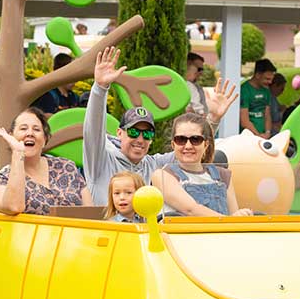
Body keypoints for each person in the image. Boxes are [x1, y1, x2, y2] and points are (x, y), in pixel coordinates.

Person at [83, 46, 238, 206]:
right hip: (111, 229)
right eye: (134, 132)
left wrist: (214, 118)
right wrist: (100, 89)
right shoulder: (100, 160)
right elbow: (93, 131)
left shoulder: (154, 165)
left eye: (147, 134)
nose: (140, 139)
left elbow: (189, 147)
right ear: (120, 133)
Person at [0, 107, 92, 215]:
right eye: (23, 129)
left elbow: (90, 213)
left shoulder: (66, 167)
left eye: (37, 129)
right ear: (11, 137)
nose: (30, 133)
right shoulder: (1, 179)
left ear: (44, 139)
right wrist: (18, 153)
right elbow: (13, 207)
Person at [151, 113, 253, 217]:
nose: (188, 146)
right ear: (173, 144)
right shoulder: (162, 175)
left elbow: (233, 213)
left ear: (206, 144)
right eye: (181, 140)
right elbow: (190, 209)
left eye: (195, 140)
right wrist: (229, 221)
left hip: (222, 232)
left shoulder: (223, 175)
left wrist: (241, 215)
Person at [240, 59, 277, 137]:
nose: (270, 82)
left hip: (263, 136)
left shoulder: (266, 91)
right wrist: (258, 135)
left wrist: (267, 133)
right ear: (257, 75)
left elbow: (267, 115)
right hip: (248, 137)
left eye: (271, 79)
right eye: (267, 79)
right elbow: (244, 120)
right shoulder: (244, 90)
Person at [185, 52, 208, 117]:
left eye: (202, 70)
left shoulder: (197, 88)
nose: (201, 73)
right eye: (199, 69)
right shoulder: (186, 85)